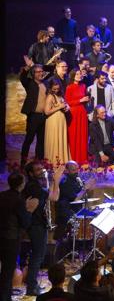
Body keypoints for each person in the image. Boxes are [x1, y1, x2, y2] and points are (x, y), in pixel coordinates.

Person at [22, 162, 62, 295]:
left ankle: (32, 284)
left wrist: (53, 181)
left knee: (38, 255)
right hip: (36, 225)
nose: (42, 171)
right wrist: (56, 180)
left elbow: (51, 194)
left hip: (38, 224)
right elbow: (55, 196)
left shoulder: (36, 185)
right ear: (31, 173)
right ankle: (31, 287)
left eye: (41, 168)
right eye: (37, 170)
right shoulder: (33, 187)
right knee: (37, 256)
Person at [0, 173, 39, 301]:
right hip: (11, 239)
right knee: (7, 271)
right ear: (21, 184)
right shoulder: (19, 200)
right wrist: (29, 210)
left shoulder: (2, 195)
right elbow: (25, 222)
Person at [54, 161, 96, 251]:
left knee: (94, 215)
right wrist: (85, 188)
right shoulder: (65, 182)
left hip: (75, 210)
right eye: (73, 170)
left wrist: (88, 187)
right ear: (67, 170)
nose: (77, 171)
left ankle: (84, 248)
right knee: (66, 240)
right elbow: (75, 199)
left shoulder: (76, 179)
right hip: (66, 213)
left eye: (77, 169)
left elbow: (82, 195)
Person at [20, 58, 48, 165]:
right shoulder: (29, 83)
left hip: (43, 116)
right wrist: (28, 67)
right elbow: (22, 77)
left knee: (41, 141)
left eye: (42, 71)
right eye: (38, 72)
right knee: (29, 139)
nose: (41, 73)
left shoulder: (45, 84)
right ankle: (23, 161)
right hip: (33, 116)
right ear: (33, 73)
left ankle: (38, 161)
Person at [43, 78, 71, 165]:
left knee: (61, 139)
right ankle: (54, 161)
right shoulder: (50, 96)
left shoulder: (60, 95)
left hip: (61, 121)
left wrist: (66, 108)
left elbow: (63, 105)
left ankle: (62, 159)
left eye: (57, 89)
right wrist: (59, 107)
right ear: (50, 87)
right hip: (53, 121)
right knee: (55, 140)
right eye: (54, 89)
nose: (56, 90)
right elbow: (46, 112)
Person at [65, 68, 90, 164]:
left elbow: (84, 100)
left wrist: (86, 100)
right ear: (73, 76)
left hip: (82, 113)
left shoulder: (83, 86)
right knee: (74, 135)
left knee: (82, 135)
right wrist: (80, 100)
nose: (79, 76)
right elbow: (67, 102)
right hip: (73, 113)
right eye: (77, 74)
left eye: (80, 74)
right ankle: (74, 158)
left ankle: (82, 158)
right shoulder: (69, 87)